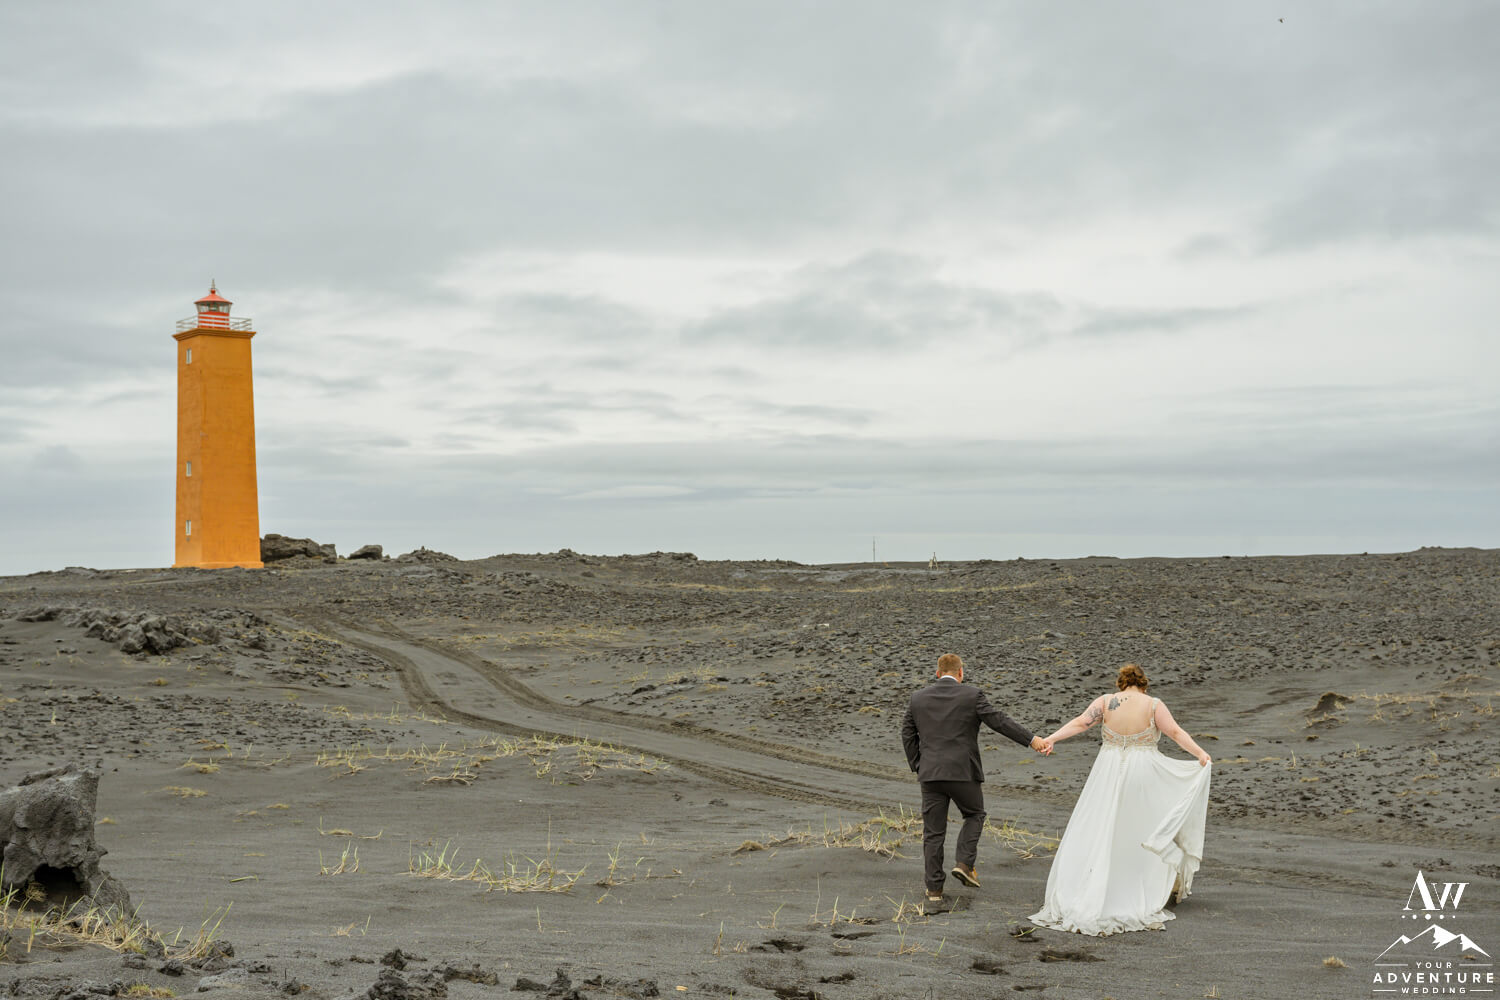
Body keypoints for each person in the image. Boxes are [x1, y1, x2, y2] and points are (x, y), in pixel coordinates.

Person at [1030, 662, 1212, 935]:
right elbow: (1175, 732)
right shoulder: (1153, 705)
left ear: (1121, 682)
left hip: (1107, 769)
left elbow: (1080, 722)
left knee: (1101, 824)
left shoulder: (1106, 702)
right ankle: (1134, 883)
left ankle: (1093, 883)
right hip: (1143, 770)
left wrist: (1051, 738)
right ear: (1143, 683)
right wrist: (1199, 754)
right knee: (1141, 825)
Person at [900, 653, 1053, 905]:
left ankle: (934, 891)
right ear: (961, 673)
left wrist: (918, 764)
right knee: (974, 814)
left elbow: (907, 733)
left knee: (933, 832)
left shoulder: (918, 698)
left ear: (937, 673)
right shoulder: (972, 695)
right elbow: (999, 721)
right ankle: (964, 863)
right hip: (963, 772)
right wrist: (1032, 740)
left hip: (931, 774)